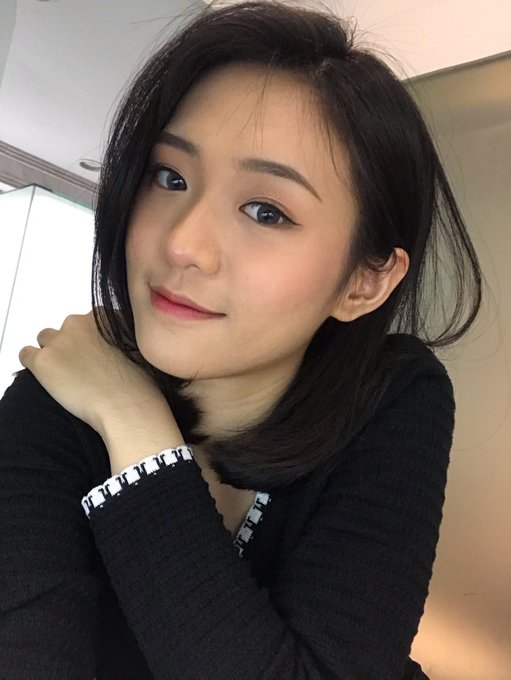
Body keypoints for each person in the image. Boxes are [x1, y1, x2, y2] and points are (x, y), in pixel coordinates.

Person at [0, 1, 482, 679]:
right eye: (169, 177)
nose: (182, 243)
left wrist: (133, 420)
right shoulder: (51, 405)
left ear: (364, 282)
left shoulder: (388, 395)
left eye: (266, 211)